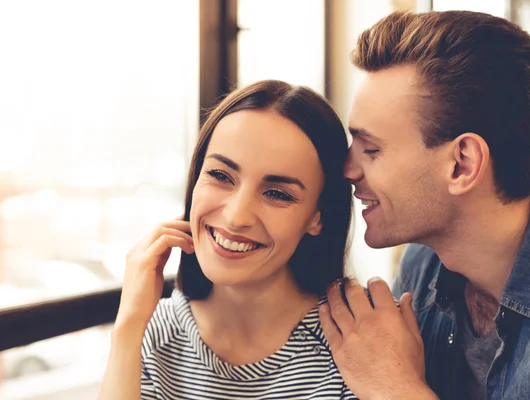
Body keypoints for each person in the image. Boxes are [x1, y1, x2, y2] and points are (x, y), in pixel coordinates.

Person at [319, 10, 530, 400]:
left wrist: (396, 389)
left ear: (462, 164)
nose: (347, 169)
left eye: (371, 149)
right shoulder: (423, 267)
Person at [98, 80, 358, 399]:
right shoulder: (152, 334)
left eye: (277, 193)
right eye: (220, 176)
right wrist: (127, 328)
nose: (236, 217)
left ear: (317, 217)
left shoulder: (356, 342)